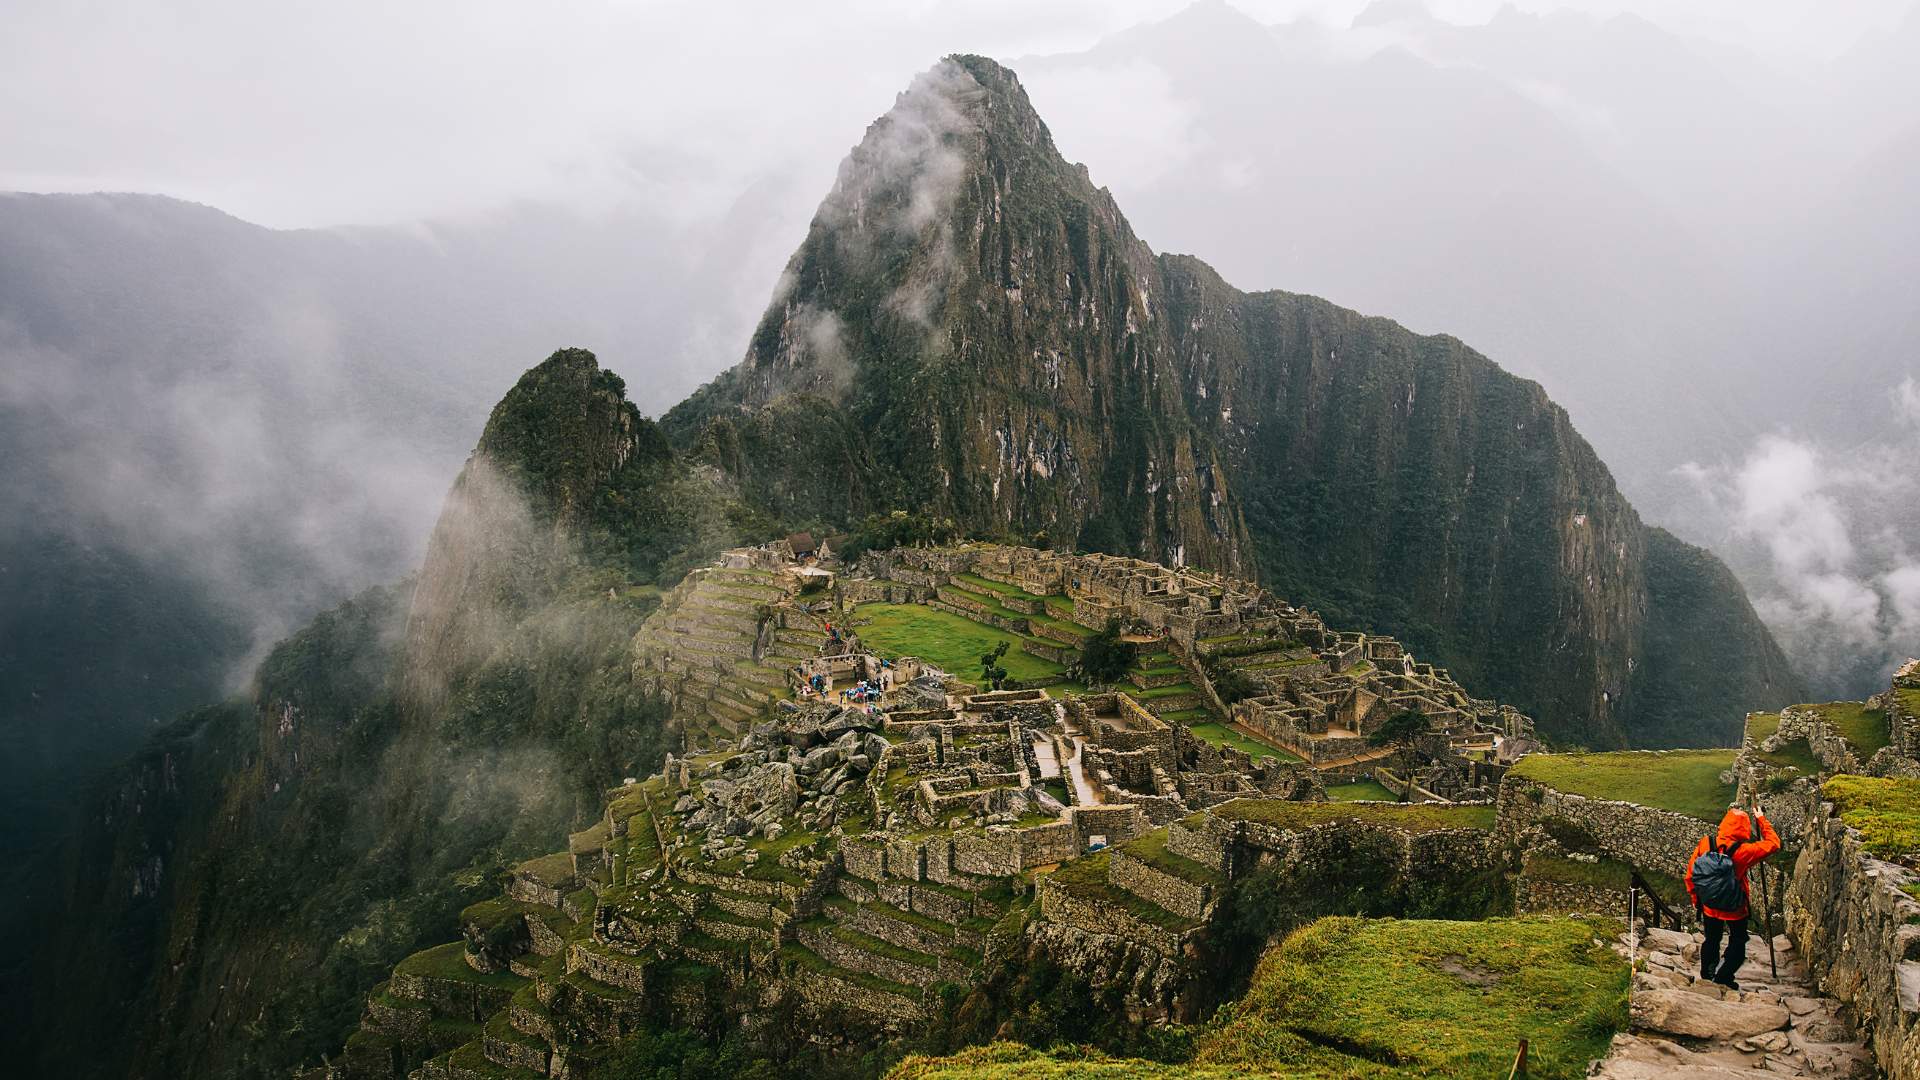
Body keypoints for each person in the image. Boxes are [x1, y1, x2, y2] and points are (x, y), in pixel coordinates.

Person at [1684, 805, 1781, 989]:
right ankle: (1724, 976)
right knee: (1738, 940)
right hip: (1735, 907)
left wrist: (1697, 900)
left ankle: (1707, 974)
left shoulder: (1706, 843)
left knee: (1711, 939)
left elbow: (1691, 874)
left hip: (1710, 905)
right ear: (1744, 828)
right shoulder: (1744, 851)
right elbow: (1774, 843)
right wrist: (1761, 820)